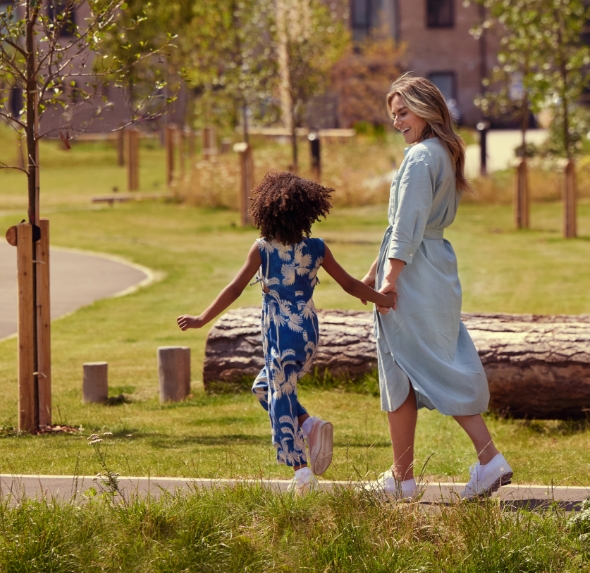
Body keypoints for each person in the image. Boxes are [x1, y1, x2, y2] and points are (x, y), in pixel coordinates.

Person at [177, 171, 394, 496]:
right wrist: (384, 299)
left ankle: (302, 473)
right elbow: (350, 284)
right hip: (306, 333)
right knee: (264, 388)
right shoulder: (317, 248)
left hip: (281, 333)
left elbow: (235, 288)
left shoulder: (263, 249)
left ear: (267, 212)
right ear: (307, 213)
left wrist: (201, 319)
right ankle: (309, 425)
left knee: (279, 395)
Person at [363, 73, 513, 501]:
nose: (397, 122)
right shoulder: (442, 153)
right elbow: (407, 225)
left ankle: (487, 460)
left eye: (403, 112)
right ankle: (403, 478)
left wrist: (389, 279)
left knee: (419, 367)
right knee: (412, 369)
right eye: (394, 115)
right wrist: (373, 271)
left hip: (414, 272)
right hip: (434, 267)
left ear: (426, 109)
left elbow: (407, 226)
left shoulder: (418, 158)